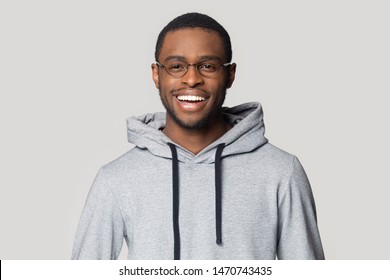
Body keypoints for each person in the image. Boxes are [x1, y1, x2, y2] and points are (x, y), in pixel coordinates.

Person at [72, 12, 325, 260]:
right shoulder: (116, 179)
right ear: (156, 75)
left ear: (230, 75)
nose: (192, 79)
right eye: (176, 66)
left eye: (207, 66)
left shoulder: (282, 172)